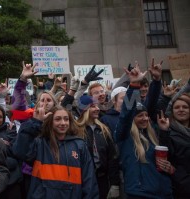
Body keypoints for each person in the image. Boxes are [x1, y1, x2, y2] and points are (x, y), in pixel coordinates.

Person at [12, 105, 99, 199]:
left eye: (66, 119)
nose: (63, 123)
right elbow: (20, 151)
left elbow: (89, 181)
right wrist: (35, 123)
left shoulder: (80, 146)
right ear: (50, 122)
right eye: (57, 119)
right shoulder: (40, 143)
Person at [114, 63, 173, 198]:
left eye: (146, 115)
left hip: (164, 193)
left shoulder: (153, 135)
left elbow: (151, 103)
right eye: (140, 116)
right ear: (132, 119)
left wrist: (157, 81)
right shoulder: (124, 135)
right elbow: (126, 113)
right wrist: (134, 85)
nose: (145, 118)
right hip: (139, 194)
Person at [76, 95, 120, 199]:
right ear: (84, 110)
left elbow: (112, 157)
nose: (97, 109)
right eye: (93, 106)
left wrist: (114, 184)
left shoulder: (103, 129)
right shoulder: (76, 131)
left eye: (97, 106)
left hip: (102, 180)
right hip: (83, 180)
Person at [159, 80, 190, 198]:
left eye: (185, 107)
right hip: (181, 189)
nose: (181, 109)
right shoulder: (168, 132)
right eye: (177, 108)